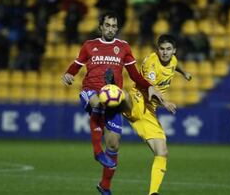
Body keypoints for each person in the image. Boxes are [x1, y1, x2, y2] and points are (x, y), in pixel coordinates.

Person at [62, 11, 164, 195]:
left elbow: (134, 74)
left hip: (113, 98)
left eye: (114, 26)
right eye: (107, 25)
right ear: (101, 27)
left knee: (114, 145)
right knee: (97, 103)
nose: (111, 29)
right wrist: (69, 74)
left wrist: (149, 87)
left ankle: (105, 186)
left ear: (117, 28)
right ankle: (96, 151)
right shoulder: (89, 45)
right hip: (91, 92)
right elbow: (76, 65)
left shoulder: (123, 47)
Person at [122, 34, 192, 195]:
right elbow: (150, 90)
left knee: (162, 152)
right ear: (157, 49)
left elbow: (175, 65)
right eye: (162, 49)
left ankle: (153, 193)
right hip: (139, 99)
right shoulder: (151, 65)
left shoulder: (173, 60)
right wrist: (165, 103)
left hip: (150, 111)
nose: (165, 53)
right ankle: (114, 96)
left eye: (168, 49)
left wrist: (184, 73)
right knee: (124, 97)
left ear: (174, 51)